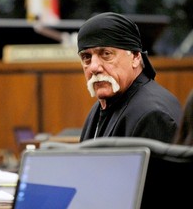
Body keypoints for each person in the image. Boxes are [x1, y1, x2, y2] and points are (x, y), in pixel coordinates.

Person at [77, 12, 182, 143]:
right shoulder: (103, 105)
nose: (94, 67)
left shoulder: (152, 114)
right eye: (87, 57)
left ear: (135, 57)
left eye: (106, 54)